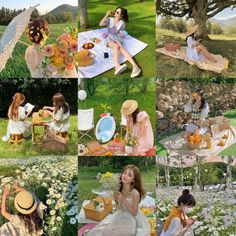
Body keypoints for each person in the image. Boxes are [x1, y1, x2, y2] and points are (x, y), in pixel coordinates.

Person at [87, 165, 151, 236]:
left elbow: (134, 213)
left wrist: (123, 199)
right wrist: (115, 200)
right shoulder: (118, 187)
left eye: (129, 175)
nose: (125, 176)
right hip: (120, 214)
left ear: (133, 180)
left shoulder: (135, 193)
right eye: (124, 173)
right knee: (104, 232)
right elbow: (118, 207)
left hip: (131, 218)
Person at [99, 7, 141, 78]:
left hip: (116, 37)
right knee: (116, 46)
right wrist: (106, 15)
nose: (115, 13)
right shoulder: (109, 19)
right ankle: (117, 66)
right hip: (108, 38)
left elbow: (120, 30)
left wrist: (120, 35)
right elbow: (100, 24)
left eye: (117, 12)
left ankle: (135, 66)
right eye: (115, 11)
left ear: (121, 15)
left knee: (122, 48)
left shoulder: (122, 23)